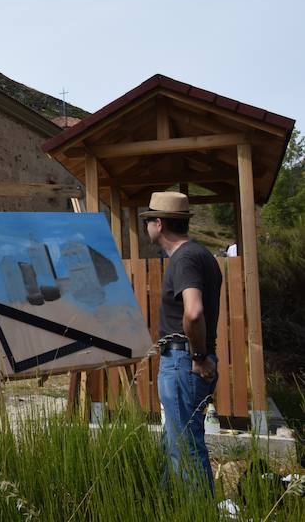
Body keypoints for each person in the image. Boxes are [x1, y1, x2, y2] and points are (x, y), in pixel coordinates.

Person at [142, 191, 222, 493]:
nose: (146, 226)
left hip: (183, 361)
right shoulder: (200, 254)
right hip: (189, 362)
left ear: (159, 223)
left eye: (148, 220)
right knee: (174, 443)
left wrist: (199, 356)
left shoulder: (185, 258)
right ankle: (166, 504)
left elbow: (193, 311)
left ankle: (199, 511)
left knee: (186, 450)